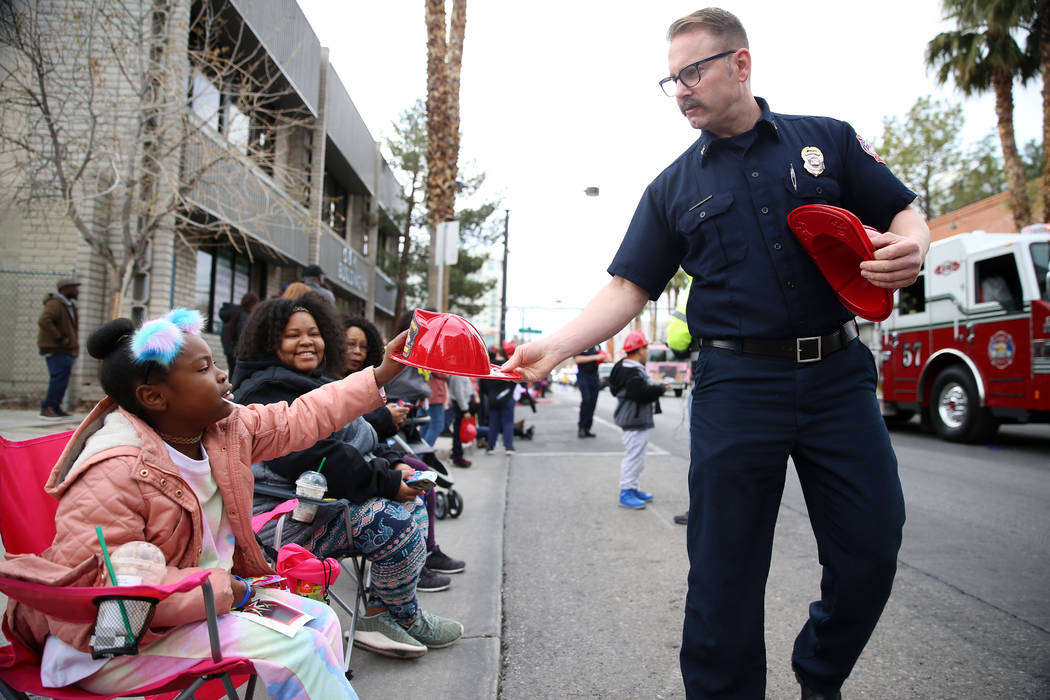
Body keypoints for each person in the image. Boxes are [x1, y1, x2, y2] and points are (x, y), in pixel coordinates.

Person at [503, 8, 930, 699]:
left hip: (838, 378)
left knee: (872, 551)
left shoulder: (827, 140)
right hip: (736, 384)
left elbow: (904, 211)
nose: (681, 90)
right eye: (670, 79)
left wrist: (915, 245)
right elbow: (627, 287)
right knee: (723, 576)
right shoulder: (672, 188)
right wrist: (551, 347)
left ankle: (820, 672)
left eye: (693, 72)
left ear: (741, 64)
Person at [2, 307, 406, 698]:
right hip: (113, 645)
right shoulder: (113, 471)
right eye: (202, 370)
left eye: (213, 363)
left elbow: (298, 417)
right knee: (299, 647)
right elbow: (110, 593)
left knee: (321, 620)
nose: (221, 375)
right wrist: (223, 589)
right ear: (154, 397)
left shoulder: (220, 430)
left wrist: (382, 372)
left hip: (205, 609)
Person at [232, 295, 463, 660]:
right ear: (269, 342)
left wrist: (394, 467)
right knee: (392, 520)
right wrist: (386, 481)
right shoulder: (264, 391)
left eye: (314, 333)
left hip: (315, 505)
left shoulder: (314, 382)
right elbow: (317, 457)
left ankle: (382, 612)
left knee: (414, 503)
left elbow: (361, 436)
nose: (307, 341)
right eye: (293, 335)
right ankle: (403, 616)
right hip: (279, 519)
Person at [340, 313, 466, 582]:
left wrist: (395, 462)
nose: (357, 352)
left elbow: (363, 432)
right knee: (412, 488)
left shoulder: (366, 377)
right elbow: (346, 433)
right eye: (350, 344)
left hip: (371, 453)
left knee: (423, 476)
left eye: (362, 346)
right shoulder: (330, 385)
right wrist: (385, 421)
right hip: (347, 470)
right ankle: (410, 569)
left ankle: (423, 557)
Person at [609, 330, 666, 509]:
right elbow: (639, 393)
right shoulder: (632, 371)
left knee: (637, 458)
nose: (647, 351)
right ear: (639, 350)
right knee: (634, 458)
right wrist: (660, 388)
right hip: (633, 421)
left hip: (634, 419)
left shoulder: (625, 368)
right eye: (646, 348)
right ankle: (626, 492)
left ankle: (633, 488)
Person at [666, 278, 693, 526]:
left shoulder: (698, 278)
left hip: (719, 376)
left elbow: (676, 338)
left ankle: (700, 509)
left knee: (706, 453)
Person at [36, 277, 80, 419]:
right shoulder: (55, 304)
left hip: (64, 349)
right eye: (74, 287)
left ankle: (55, 407)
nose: (77, 290)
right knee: (58, 378)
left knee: (62, 379)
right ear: (64, 290)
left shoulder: (68, 305)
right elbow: (44, 320)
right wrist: (60, 337)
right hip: (55, 348)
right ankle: (48, 407)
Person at [479, 346, 515, 455]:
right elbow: (516, 381)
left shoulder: (489, 367)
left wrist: (490, 394)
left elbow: (482, 385)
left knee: (493, 423)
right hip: (507, 398)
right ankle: (508, 447)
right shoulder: (510, 365)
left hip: (492, 398)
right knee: (508, 423)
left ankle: (491, 446)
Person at [218, 291, 258, 373]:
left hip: (229, 350)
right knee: (238, 375)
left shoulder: (235, 313)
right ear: (252, 304)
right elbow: (243, 336)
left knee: (232, 373)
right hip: (238, 352)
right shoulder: (243, 316)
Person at [573, 345, 607, 438]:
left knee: (593, 402)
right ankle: (582, 427)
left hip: (594, 376)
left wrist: (605, 358)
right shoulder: (582, 344)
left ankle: (587, 427)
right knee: (586, 400)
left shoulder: (597, 346)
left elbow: (604, 358)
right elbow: (577, 359)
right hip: (583, 376)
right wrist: (595, 357)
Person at [447, 373, 476, 467]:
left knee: (459, 431)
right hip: (460, 407)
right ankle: (457, 457)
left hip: (463, 405)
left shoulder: (462, 373)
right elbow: (459, 394)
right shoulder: (457, 375)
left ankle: (456, 453)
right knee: (458, 433)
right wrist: (465, 410)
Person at [421, 371, 450, 446]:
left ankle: (419, 453)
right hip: (434, 394)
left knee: (425, 426)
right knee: (436, 426)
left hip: (424, 392)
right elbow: (444, 374)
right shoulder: (434, 359)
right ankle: (423, 454)